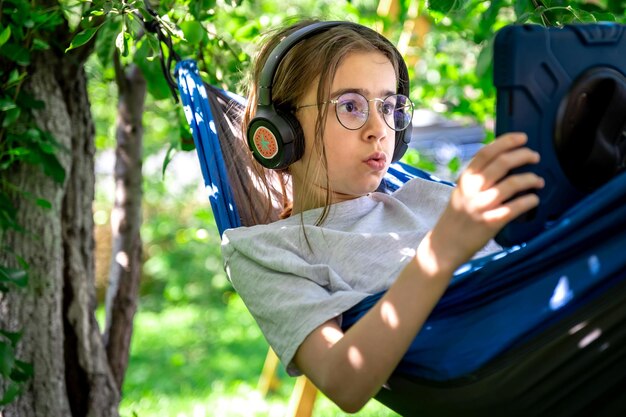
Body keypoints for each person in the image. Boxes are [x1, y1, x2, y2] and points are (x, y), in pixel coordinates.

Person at [221, 19, 545, 413]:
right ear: (282, 130)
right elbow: (344, 382)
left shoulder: (422, 195)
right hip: (521, 350)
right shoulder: (265, 251)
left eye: (390, 106)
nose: (379, 129)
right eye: (350, 106)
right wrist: (444, 248)